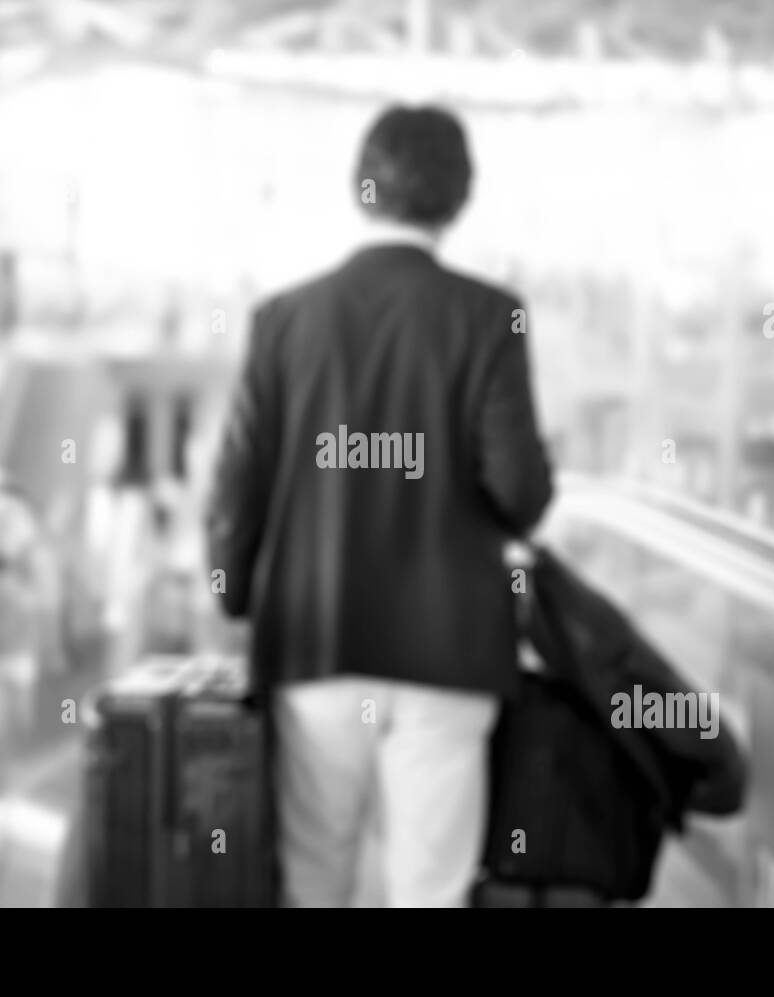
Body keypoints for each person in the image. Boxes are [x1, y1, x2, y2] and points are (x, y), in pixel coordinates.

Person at [207, 105, 554, 907]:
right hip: (449, 649)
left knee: (314, 873)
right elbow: (519, 493)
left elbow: (237, 483)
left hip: (316, 637)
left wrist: (232, 591)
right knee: (430, 889)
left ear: (361, 190)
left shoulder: (283, 321)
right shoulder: (488, 317)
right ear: (459, 198)